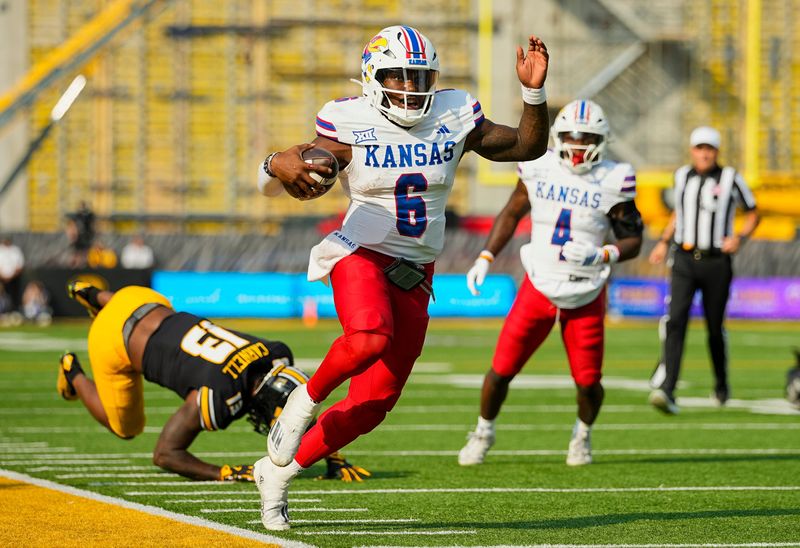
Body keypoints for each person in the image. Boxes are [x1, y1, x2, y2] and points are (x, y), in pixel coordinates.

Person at [254, 25, 550, 530]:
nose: (410, 89)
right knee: (369, 336)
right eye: (398, 76)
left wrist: (534, 92)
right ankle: (301, 401)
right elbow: (281, 177)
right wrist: (272, 162)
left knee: (374, 403)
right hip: (361, 251)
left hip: (415, 269)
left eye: (419, 77)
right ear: (373, 77)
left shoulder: (455, 114)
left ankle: (278, 475)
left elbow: (527, 145)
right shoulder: (348, 122)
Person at [458, 100, 643, 468]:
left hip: (585, 290)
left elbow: (633, 240)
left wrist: (602, 254)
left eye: (586, 138)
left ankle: (582, 435)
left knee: (589, 381)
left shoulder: (614, 177)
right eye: (571, 137)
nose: (577, 145)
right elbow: (512, 212)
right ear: (557, 137)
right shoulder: (538, 166)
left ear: (602, 140)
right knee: (500, 370)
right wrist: (486, 256)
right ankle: (483, 431)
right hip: (538, 284)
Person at [58, 282, 370, 483]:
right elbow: (164, 454)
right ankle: (73, 373)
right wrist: (225, 472)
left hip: (140, 298)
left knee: (129, 308)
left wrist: (333, 456)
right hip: (113, 340)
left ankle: (94, 295)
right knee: (126, 428)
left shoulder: (274, 355)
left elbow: (295, 403)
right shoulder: (218, 394)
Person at [648, 126, 759, 414]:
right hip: (684, 258)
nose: (704, 153)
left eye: (709, 148)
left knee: (713, 328)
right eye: (699, 147)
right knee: (675, 321)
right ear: (692, 150)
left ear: (717, 151)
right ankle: (668, 388)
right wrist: (662, 242)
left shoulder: (731, 177)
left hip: (716, 262)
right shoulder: (681, 175)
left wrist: (740, 238)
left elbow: (753, 211)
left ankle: (721, 383)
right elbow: (679, 213)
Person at [65, 201, 96, 268]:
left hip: (86, 237)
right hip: (79, 238)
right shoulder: (77, 217)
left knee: (85, 253)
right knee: (77, 253)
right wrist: (73, 236)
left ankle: (82, 265)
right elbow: (72, 228)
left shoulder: (89, 216)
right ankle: (75, 266)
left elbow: (92, 226)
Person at [0, 236, 25, 311]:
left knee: (14, 297)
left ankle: (14, 311)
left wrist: (11, 276)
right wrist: (2, 276)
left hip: (14, 279)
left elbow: (20, 266)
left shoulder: (16, 250)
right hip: (1, 278)